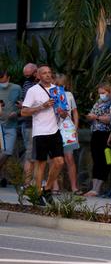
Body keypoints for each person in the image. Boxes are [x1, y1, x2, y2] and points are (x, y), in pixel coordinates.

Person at [20, 65, 66, 205]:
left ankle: (47, 188)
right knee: (41, 164)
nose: (47, 75)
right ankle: (38, 193)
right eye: (44, 73)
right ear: (38, 76)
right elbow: (23, 112)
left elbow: (64, 112)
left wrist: (63, 112)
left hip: (55, 130)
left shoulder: (57, 90)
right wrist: (42, 106)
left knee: (59, 162)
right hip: (40, 132)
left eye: (49, 72)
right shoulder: (33, 91)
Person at [84, 82, 111, 197]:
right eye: (100, 93)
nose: (102, 95)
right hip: (95, 133)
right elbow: (90, 114)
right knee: (96, 159)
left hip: (106, 134)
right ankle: (94, 187)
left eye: (103, 93)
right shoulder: (98, 102)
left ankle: (98, 188)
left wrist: (96, 117)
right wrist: (90, 117)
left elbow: (110, 119)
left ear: (109, 92)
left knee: (105, 160)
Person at [52, 73, 81, 194]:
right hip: (53, 128)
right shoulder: (50, 95)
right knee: (54, 158)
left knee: (70, 158)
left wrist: (75, 127)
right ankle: (55, 186)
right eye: (57, 84)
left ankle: (74, 187)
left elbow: (75, 111)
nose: (59, 87)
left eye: (62, 84)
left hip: (68, 129)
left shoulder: (69, 95)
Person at [0, 70, 22, 185]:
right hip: (0, 125)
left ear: (8, 77)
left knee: (7, 151)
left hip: (11, 125)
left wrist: (17, 112)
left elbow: (23, 105)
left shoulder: (17, 88)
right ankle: (2, 179)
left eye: (3, 79)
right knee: (1, 152)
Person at [18, 63, 38, 186]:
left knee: (37, 156)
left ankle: (35, 182)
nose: (27, 78)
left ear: (36, 72)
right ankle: (27, 184)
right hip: (29, 124)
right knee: (30, 154)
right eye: (25, 76)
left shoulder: (43, 86)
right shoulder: (26, 84)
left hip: (41, 125)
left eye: (29, 75)